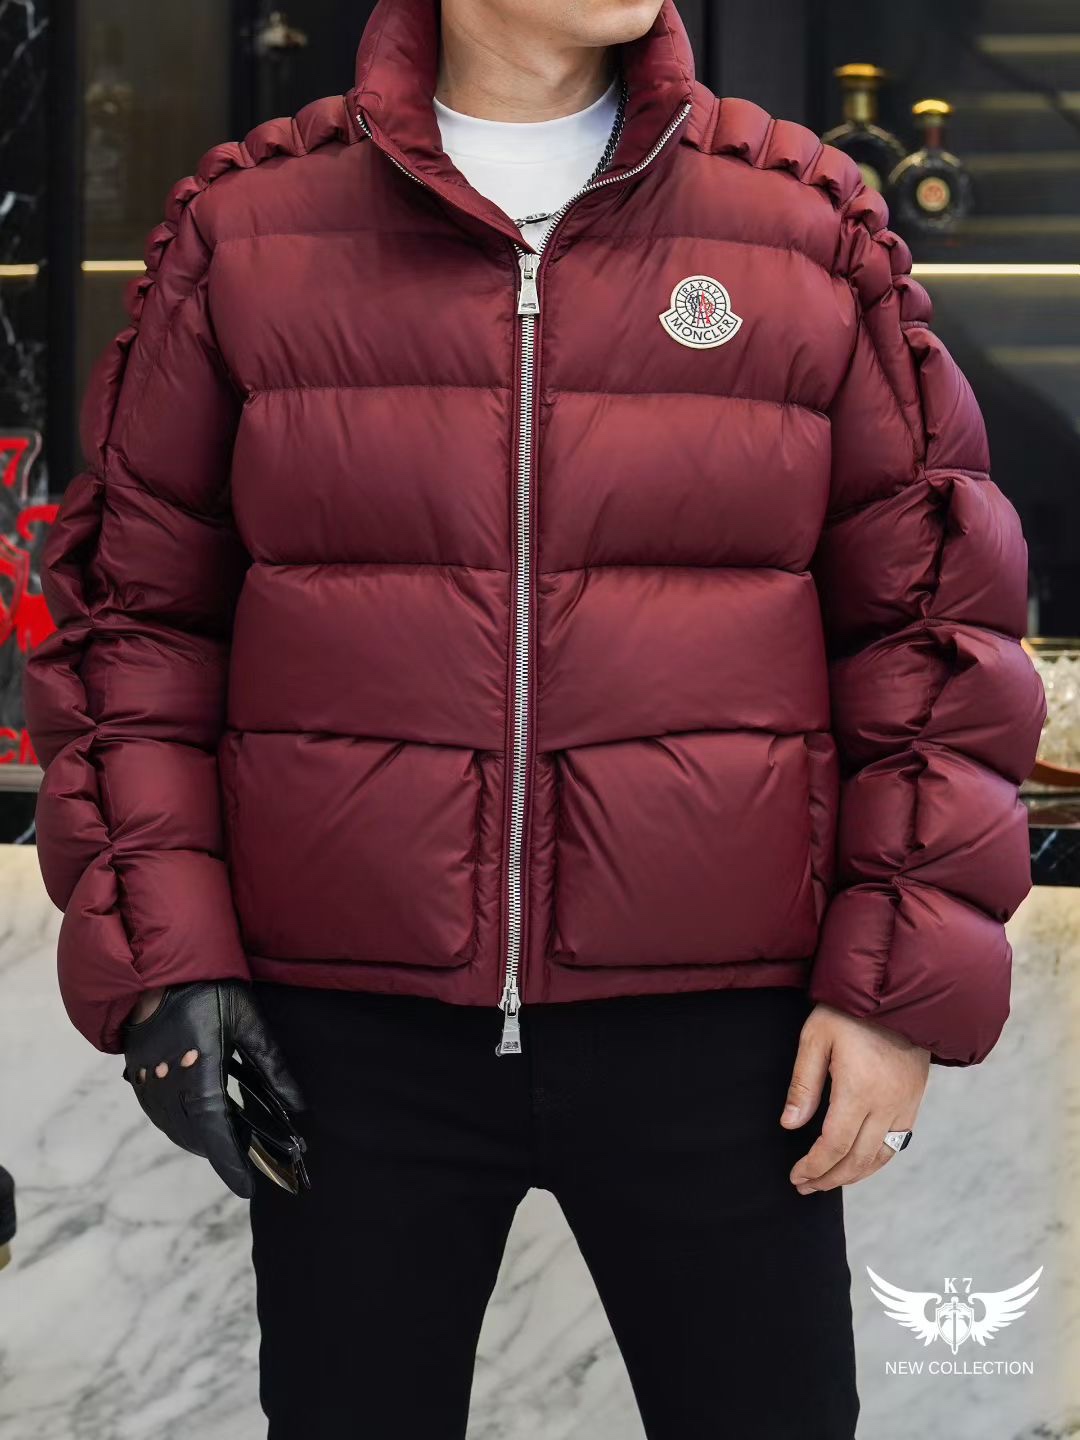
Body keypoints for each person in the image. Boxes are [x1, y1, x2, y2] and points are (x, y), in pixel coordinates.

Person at [23, 0, 1046, 1436]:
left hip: (726, 1037)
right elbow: (135, 628)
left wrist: (890, 987)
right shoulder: (249, 232)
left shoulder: (800, 225)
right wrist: (163, 962)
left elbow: (931, 631)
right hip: (349, 1038)